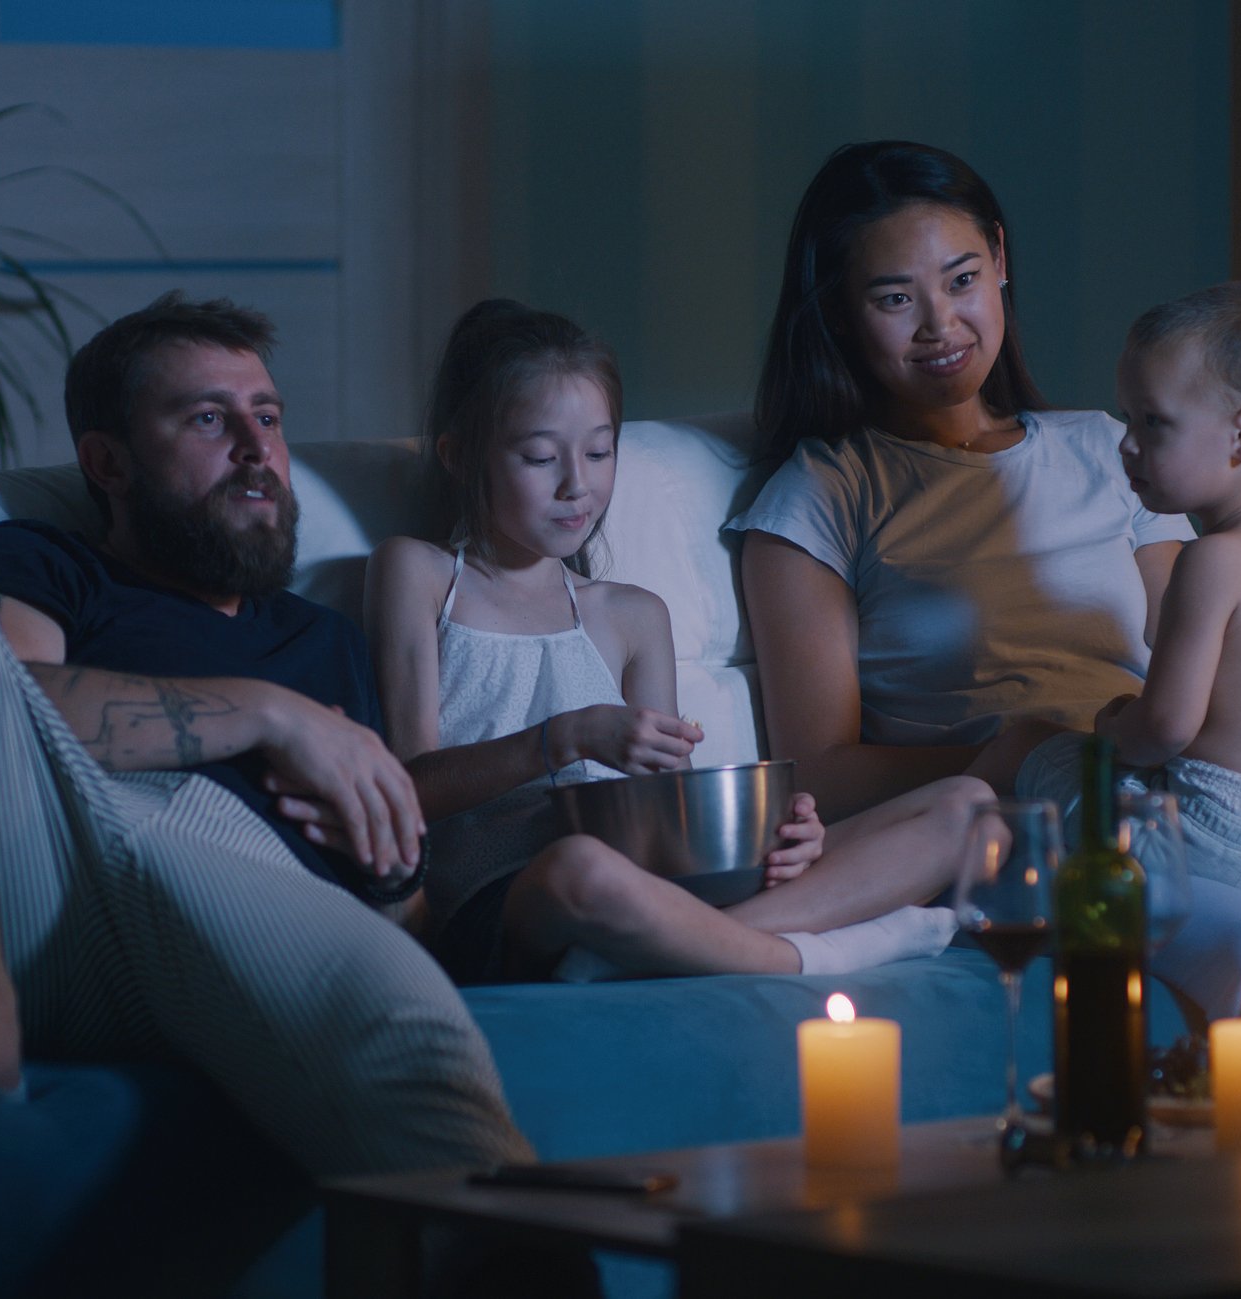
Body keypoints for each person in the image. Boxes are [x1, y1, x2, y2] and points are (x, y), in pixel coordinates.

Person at [0, 291, 531, 1176]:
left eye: (267, 416)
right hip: (48, 878)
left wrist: (394, 872)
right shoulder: (49, 564)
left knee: (436, 1082)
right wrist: (271, 715)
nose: (256, 448)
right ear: (107, 461)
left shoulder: (325, 639)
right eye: (208, 417)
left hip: (253, 914)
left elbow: (404, 916)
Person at [365, 298, 985, 985]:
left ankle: (654, 948)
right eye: (539, 456)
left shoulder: (631, 615)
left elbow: (664, 813)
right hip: (507, 898)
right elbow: (407, 788)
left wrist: (776, 837)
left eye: (599, 451)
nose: (578, 484)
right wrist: (560, 740)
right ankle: (823, 948)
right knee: (580, 867)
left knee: (966, 807)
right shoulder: (419, 575)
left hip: (644, 881)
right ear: (458, 455)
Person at [729, 140, 1195, 821]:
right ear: (837, 312)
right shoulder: (823, 495)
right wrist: (1037, 760)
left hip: (1161, 806)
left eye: (961, 280)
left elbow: (1200, 657)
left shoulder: (1109, 448)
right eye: (894, 298)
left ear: (999, 260)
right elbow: (819, 775)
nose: (939, 325)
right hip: (987, 829)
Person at [1016, 282, 1241, 1015]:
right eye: (1126, 418)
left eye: (1152, 424)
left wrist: (1109, 728)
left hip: (1207, 833)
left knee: (1040, 757)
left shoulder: (1213, 561)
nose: (1125, 443)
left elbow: (1166, 726)